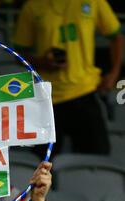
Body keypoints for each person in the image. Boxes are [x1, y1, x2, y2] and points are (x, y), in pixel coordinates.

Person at [13, 0, 123, 156]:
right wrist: (42, 62)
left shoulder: (94, 2)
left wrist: (114, 73)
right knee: (41, 166)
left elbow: (116, 36)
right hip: (47, 98)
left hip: (85, 91)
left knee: (97, 157)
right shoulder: (32, 6)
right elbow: (19, 53)